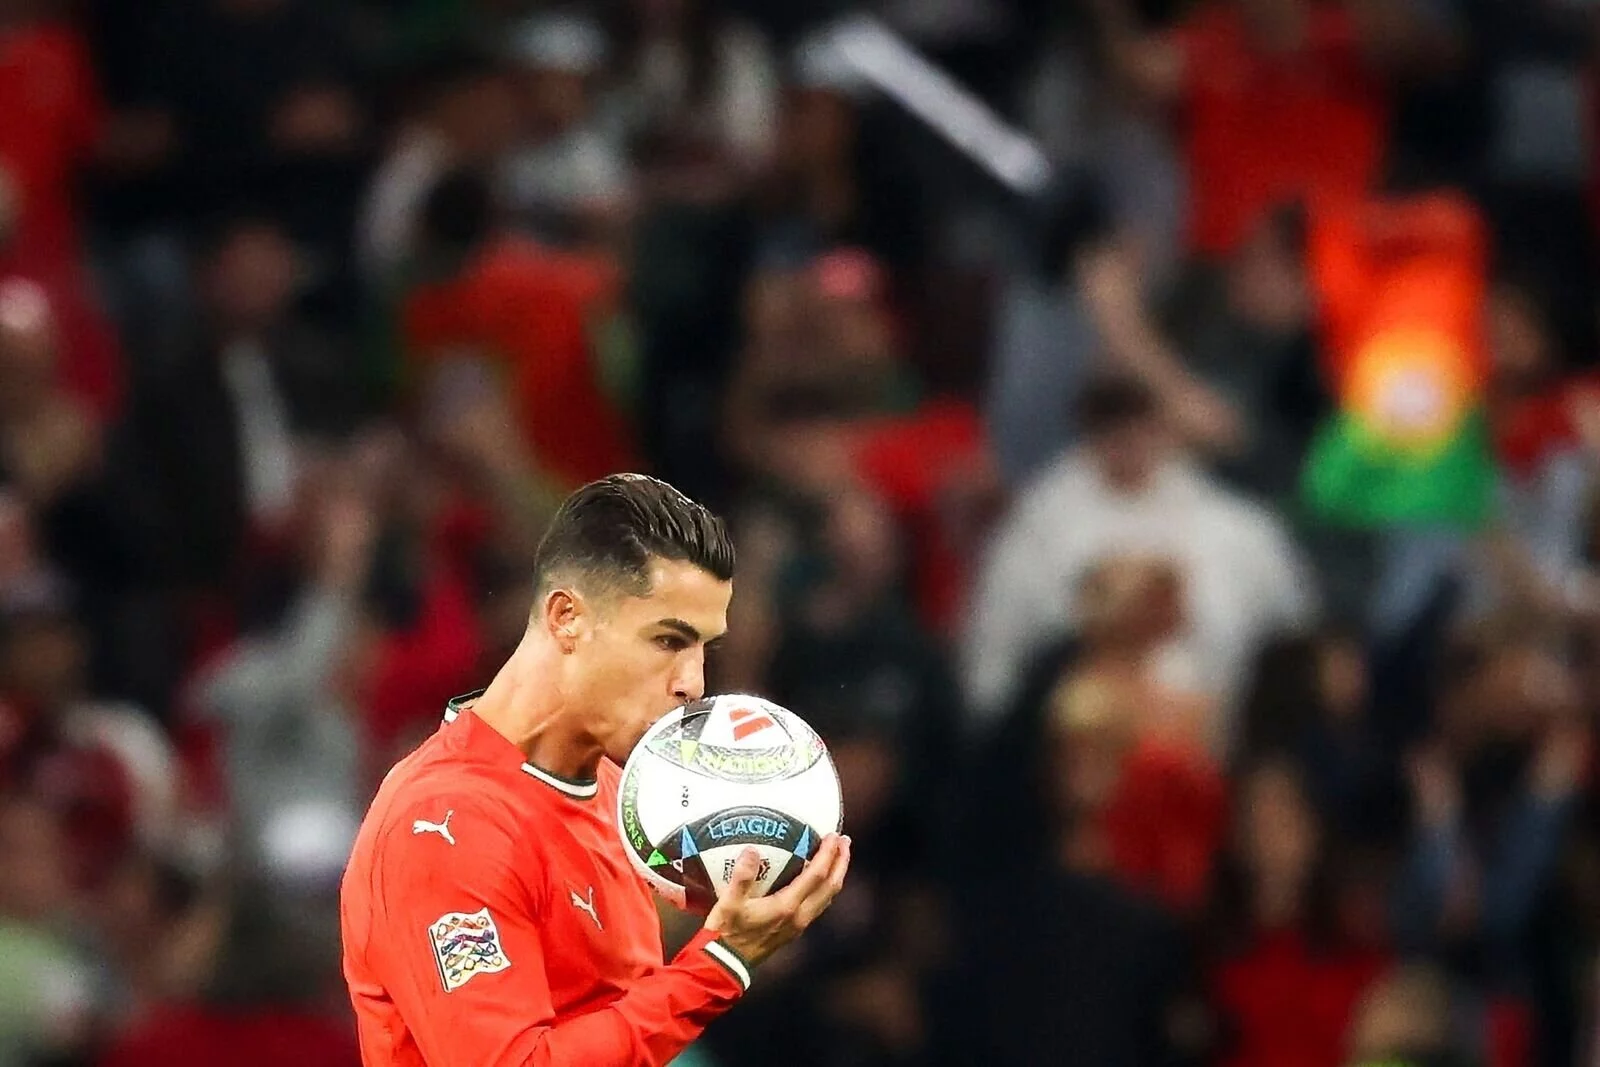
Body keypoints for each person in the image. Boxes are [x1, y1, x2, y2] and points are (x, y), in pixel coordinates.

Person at [339, 473, 852, 1066]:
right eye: (668, 641)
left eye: (703, 649)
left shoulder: (626, 794)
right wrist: (724, 960)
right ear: (567, 618)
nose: (693, 684)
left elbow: (614, 1006)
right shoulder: (445, 826)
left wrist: (739, 899)